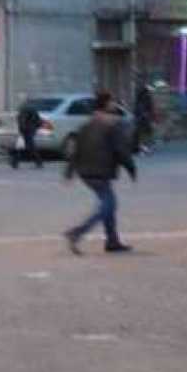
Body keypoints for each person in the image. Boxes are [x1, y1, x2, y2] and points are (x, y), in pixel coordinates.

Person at [63, 90, 137, 255]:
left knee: (107, 203)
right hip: (101, 170)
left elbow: (75, 151)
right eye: (112, 102)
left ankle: (112, 241)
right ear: (107, 104)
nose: (114, 105)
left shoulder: (86, 124)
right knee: (108, 205)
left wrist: (69, 172)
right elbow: (121, 150)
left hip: (85, 172)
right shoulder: (113, 124)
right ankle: (77, 233)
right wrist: (131, 168)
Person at [10, 101, 43, 169]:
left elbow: (22, 121)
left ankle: (15, 162)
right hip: (30, 130)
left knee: (23, 146)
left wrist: (22, 129)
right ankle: (38, 162)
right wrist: (34, 128)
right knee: (27, 146)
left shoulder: (24, 110)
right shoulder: (33, 110)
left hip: (26, 130)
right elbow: (38, 121)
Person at [133, 83, 156, 154]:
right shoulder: (147, 97)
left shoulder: (139, 99)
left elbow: (137, 109)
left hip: (140, 119)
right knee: (147, 134)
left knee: (142, 134)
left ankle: (143, 148)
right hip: (145, 118)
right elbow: (150, 108)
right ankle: (146, 148)